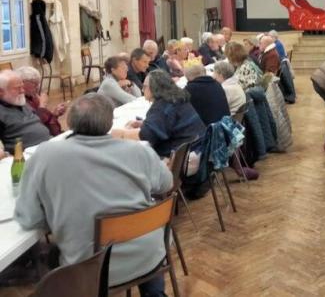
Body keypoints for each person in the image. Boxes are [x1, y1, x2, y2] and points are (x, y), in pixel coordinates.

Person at [14, 93, 173, 296]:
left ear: (70, 122)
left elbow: (29, 218)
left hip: (92, 270)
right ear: (109, 124)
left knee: (53, 255)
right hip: (149, 254)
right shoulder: (140, 151)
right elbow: (166, 183)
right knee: (139, 239)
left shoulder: (44, 155)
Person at [111, 70, 206, 158]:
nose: (143, 91)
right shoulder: (176, 98)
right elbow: (167, 124)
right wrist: (145, 124)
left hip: (185, 159)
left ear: (154, 88)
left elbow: (146, 135)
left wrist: (122, 134)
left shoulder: (162, 106)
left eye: (145, 87)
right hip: (198, 149)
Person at [0, 70, 51, 151]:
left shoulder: (19, 101)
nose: (22, 91)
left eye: (22, 87)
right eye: (17, 88)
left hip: (47, 144)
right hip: (27, 155)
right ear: (1, 92)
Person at [16, 66, 65, 136]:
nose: (38, 87)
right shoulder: (19, 102)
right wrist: (42, 105)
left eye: (38, 83)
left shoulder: (32, 96)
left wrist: (54, 114)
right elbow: (35, 126)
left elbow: (45, 121)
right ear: (22, 83)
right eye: (34, 84)